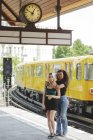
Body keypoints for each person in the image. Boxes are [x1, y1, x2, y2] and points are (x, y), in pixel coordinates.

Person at [42, 73, 60, 139]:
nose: (50, 78)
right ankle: (51, 132)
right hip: (47, 103)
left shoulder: (57, 86)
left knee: (52, 119)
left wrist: (52, 96)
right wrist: (43, 104)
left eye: (51, 77)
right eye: (49, 77)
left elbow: (59, 96)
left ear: (53, 78)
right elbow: (44, 95)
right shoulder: (46, 85)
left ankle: (54, 132)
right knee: (48, 119)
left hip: (54, 103)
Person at [55, 69, 69, 137]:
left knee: (63, 116)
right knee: (58, 117)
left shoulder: (65, 82)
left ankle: (64, 132)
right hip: (57, 99)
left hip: (63, 99)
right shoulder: (56, 81)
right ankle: (58, 131)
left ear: (63, 75)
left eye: (61, 74)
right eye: (58, 74)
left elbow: (58, 87)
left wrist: (53, 85)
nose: (59, 75)